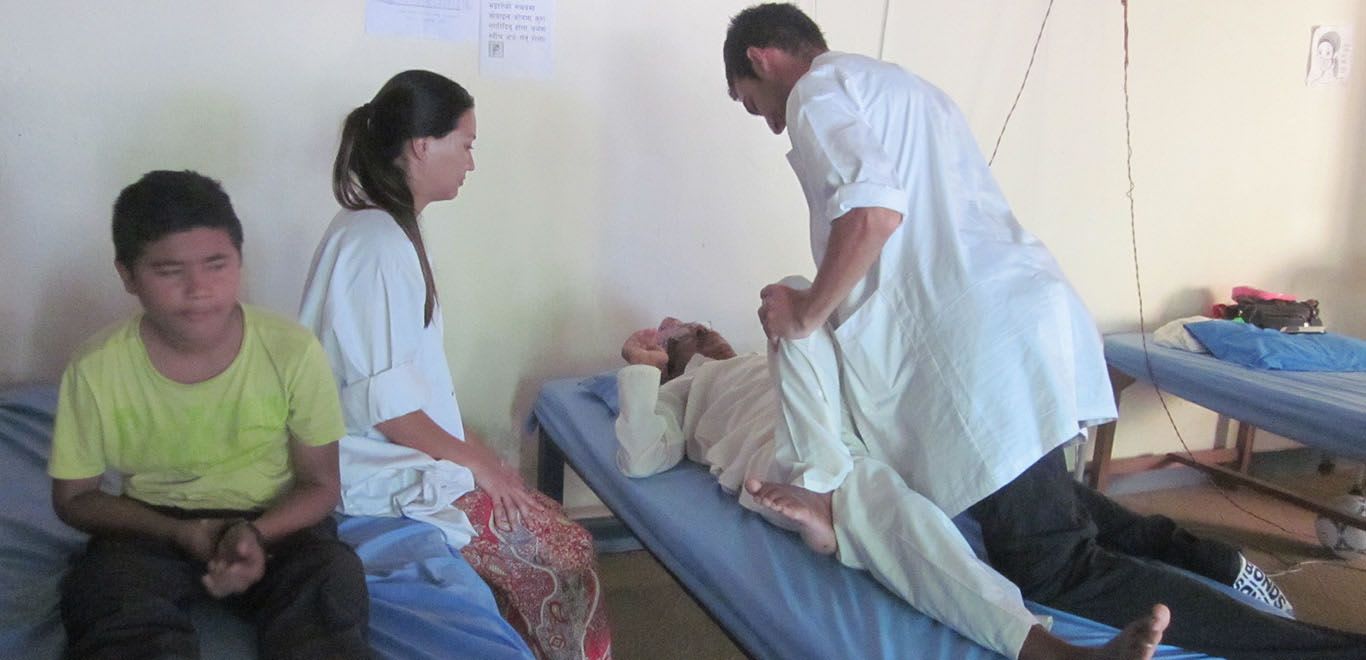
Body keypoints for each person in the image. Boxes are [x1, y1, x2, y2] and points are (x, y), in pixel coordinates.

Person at [721, 4, 1366, 658]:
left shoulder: (814, 93)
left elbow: (874, 212)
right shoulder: (901, 88)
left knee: (1051, 563)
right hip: (1023, 319)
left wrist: (804, 315)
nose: (772, 122)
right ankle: (1213, 561)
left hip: (975, 355)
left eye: (755, 105)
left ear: (762, 59)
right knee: (1050, 510)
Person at [616, 315, 1168, 660]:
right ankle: (1055, 653)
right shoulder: (686, 387)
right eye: (679, 333)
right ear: (675, 358)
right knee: (888, 513)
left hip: (852, 431)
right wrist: (643, 370)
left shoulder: (769, 359)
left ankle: (828, 510)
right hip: (776, 449)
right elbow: (640, 456)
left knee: (831, 365)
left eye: (693, 323)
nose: (692, 328)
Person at [299, 69, 611, 660]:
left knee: (554, 531)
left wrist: (480, 455)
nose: (471, 162)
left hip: (397, 460)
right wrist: (483, 467)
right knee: (563, 555)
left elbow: (412, 391)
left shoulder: (388, 231)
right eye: (465, 144)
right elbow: (390, 415)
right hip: (375, 482)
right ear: (422, 145)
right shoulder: (377, 244)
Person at [48, 170, 370, 659]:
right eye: (169, 270)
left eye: (216, 264)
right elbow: (74, 499)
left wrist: (254, 534)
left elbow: (321, 484)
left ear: (239, 261)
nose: (198, 288)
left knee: (330, 577)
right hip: (153, 529)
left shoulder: (291, 352)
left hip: (274, 521)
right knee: (104, 591)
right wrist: (181, 533)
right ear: (128, 275)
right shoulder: (96, 368)